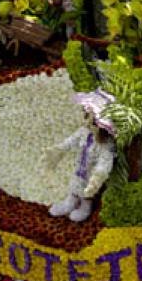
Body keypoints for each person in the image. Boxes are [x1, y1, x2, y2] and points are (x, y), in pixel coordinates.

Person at [45, 89, 116, 223]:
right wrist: (59, 150)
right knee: (75, 183)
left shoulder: (106, 145)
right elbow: (71, 141)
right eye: (86, 115)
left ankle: (85, 206)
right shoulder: (84, 132)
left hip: (91, 174)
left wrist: (98, 176)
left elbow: (105, 162)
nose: (86, 120)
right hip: (80, 167)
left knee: (87, 191)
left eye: (90, 117)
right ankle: (70, 202)